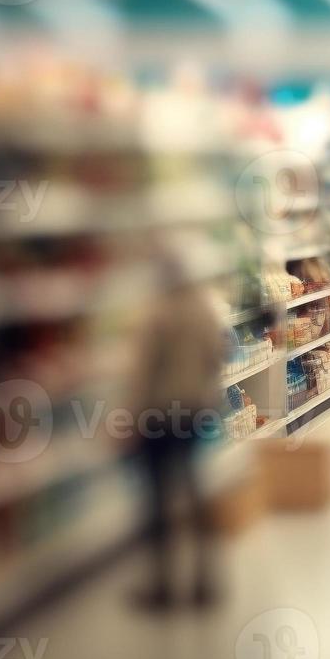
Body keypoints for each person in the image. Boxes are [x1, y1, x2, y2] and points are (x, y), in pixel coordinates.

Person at [130, 250, 225, 611]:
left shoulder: (155, 314)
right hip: (196, 409)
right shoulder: (203, 309)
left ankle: (163, 585)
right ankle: (205, 581)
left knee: (158, 498)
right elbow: (216, 358)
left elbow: (142, 373)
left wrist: (131, 417)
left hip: (160, 414)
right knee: (195, 489)